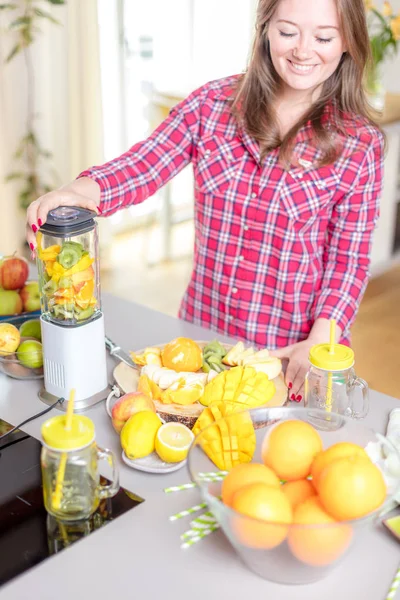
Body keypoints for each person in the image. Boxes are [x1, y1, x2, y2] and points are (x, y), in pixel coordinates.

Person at [26, 0, 384, 402]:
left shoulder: (361, 144)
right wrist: (79, 191)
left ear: (348, 41)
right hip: (202, 342)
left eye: (323, 37)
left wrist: (320, 343)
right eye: (288, 32)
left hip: (288, 357)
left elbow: (348, 260)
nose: (303, 50)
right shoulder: (210, 106)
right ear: (265, 29)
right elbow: (144, 165)